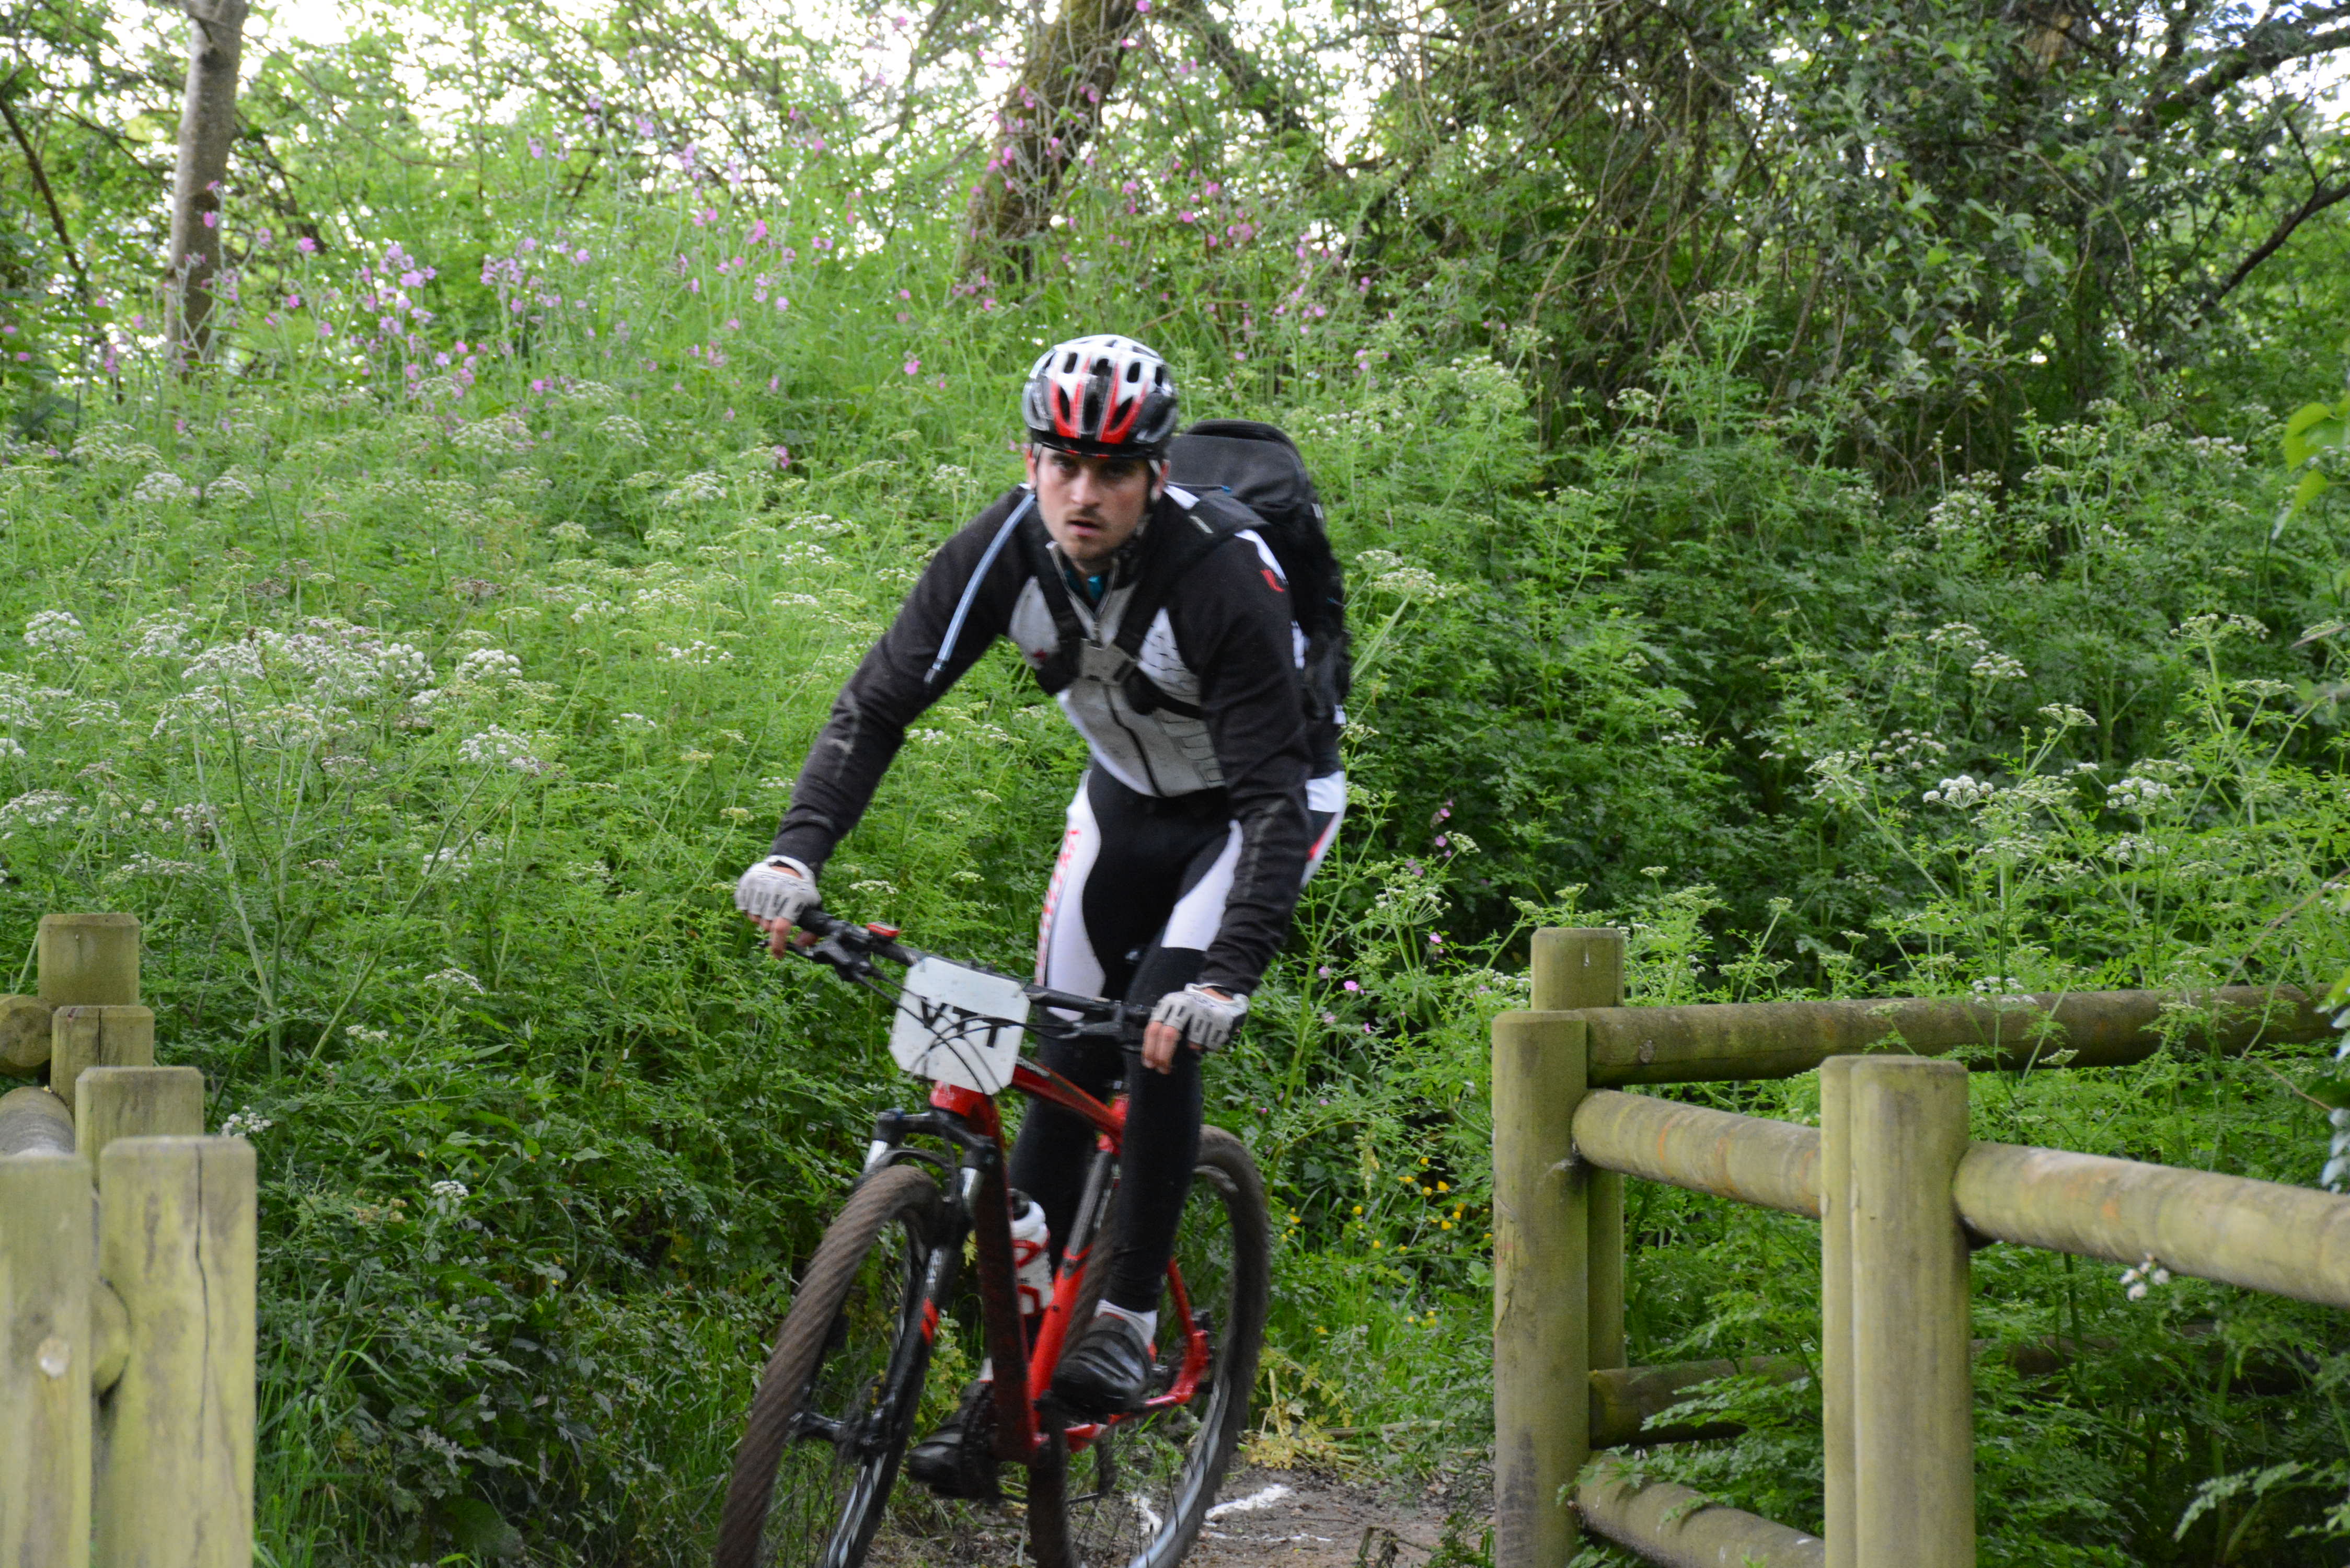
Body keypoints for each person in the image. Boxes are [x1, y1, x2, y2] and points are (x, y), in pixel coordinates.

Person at [734, 333, 1343, 1491]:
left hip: (1257, 809)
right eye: (1063, 464)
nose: (1084, 493)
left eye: (1112, 471)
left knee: (1158, 1027)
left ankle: (1126, 1316)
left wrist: (1227, 976)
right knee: (1062, 1053)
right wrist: (796, 856)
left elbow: (1272, 799)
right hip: (1123, 801)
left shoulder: (1221, 576)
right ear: (1030, 463)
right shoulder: (1005, 550)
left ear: (1156, 477)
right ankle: (1004, 1392)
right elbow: (878, 705)